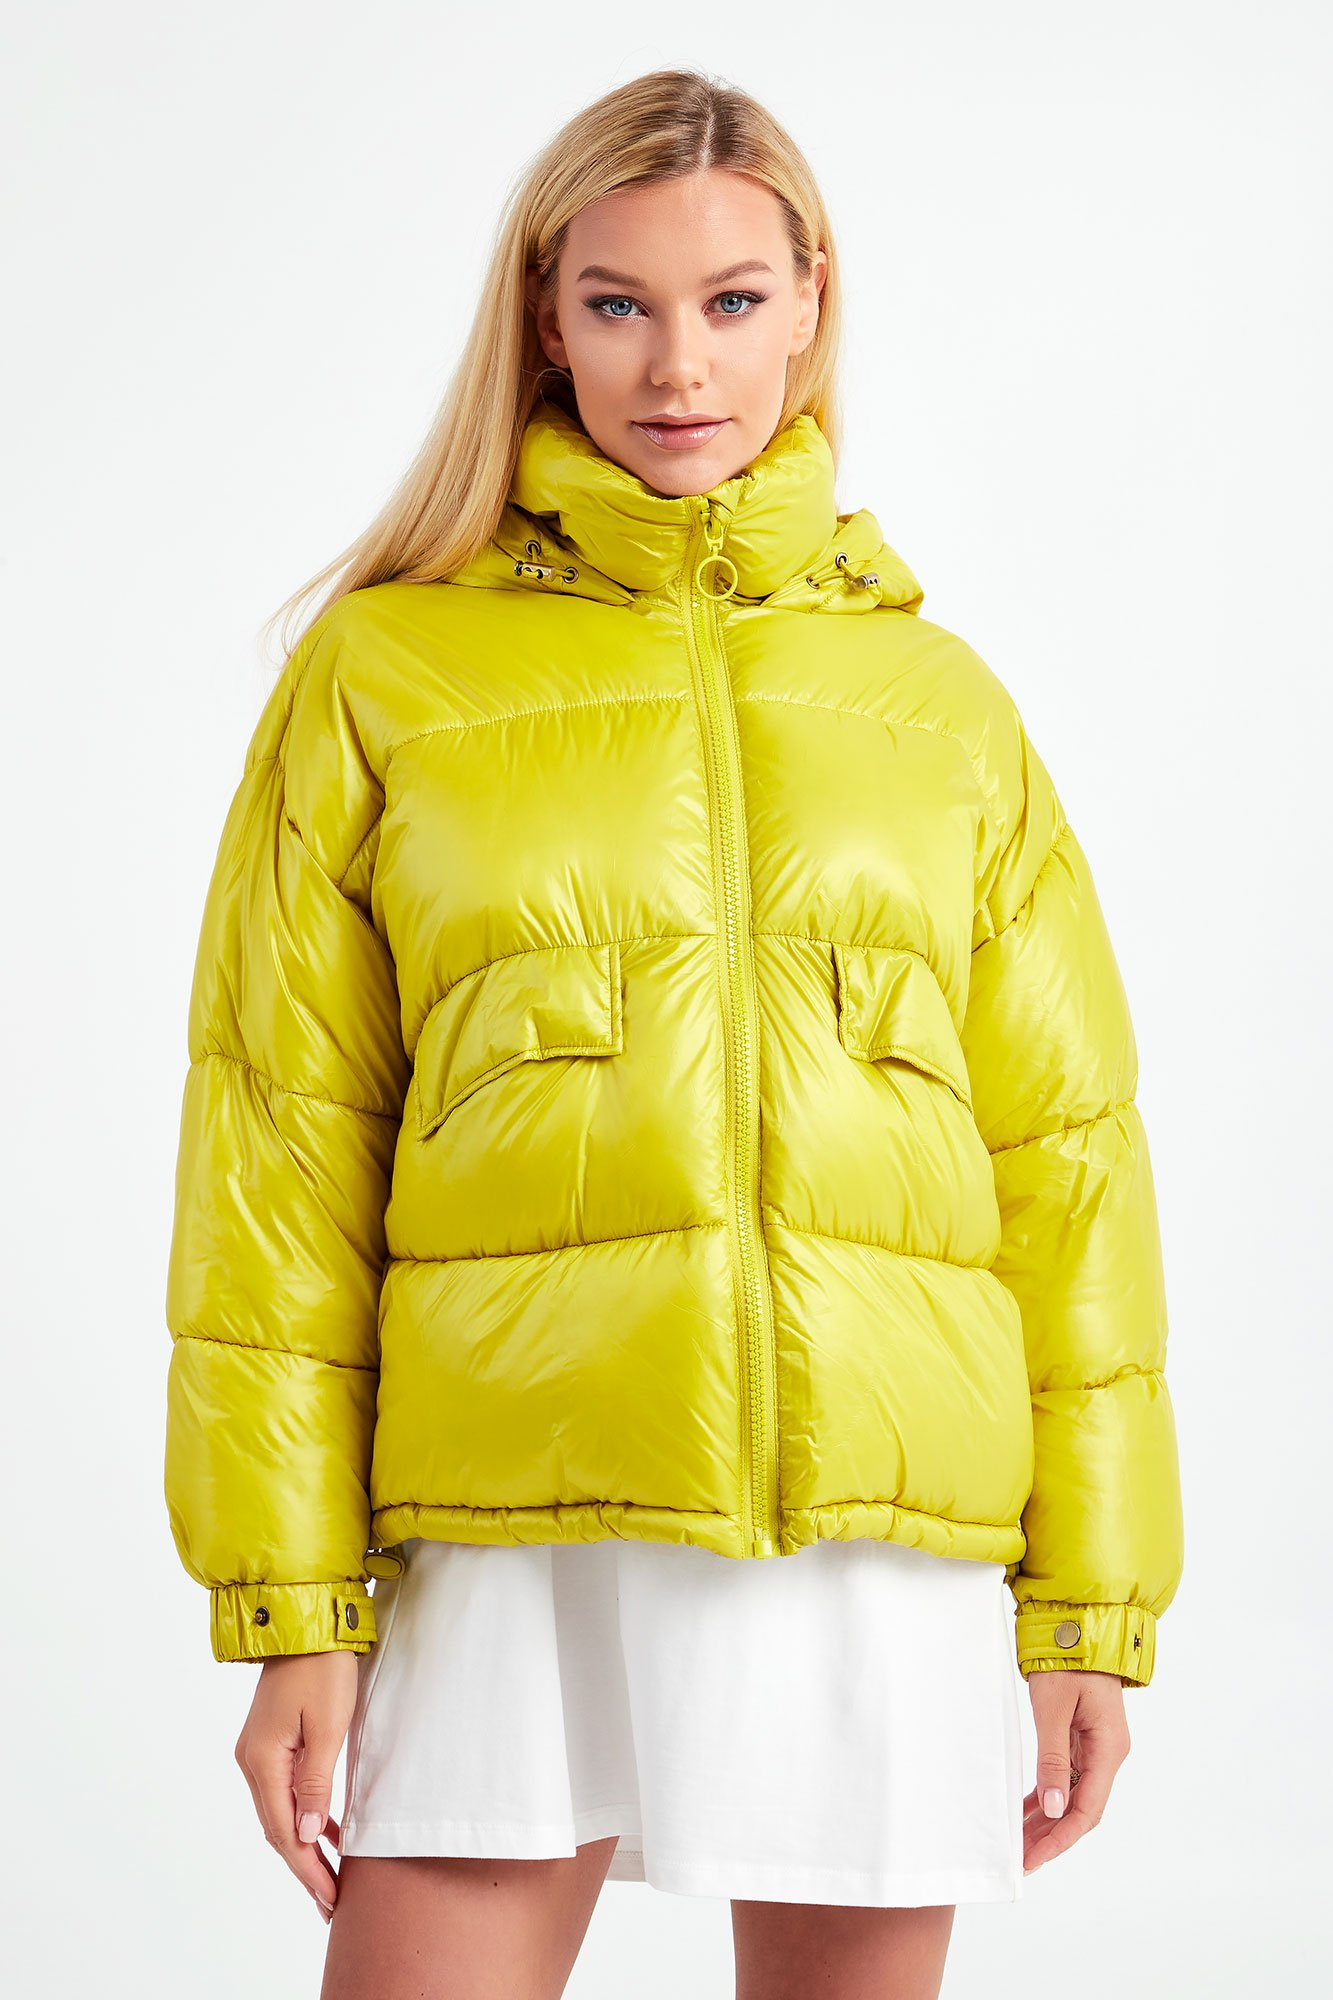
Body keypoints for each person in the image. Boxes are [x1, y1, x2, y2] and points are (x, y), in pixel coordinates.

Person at [162, 65, 1185, 2000]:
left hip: (875, 1515)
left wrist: (1089, 1607)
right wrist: (292, 1605)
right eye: (618, 302)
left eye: (729, 299)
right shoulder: (386, 669)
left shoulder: (938, 705)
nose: (677, 364)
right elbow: (279, 1152)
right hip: (517, 1498)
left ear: (809, 301)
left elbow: (1067, 1167)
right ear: (545, 319)